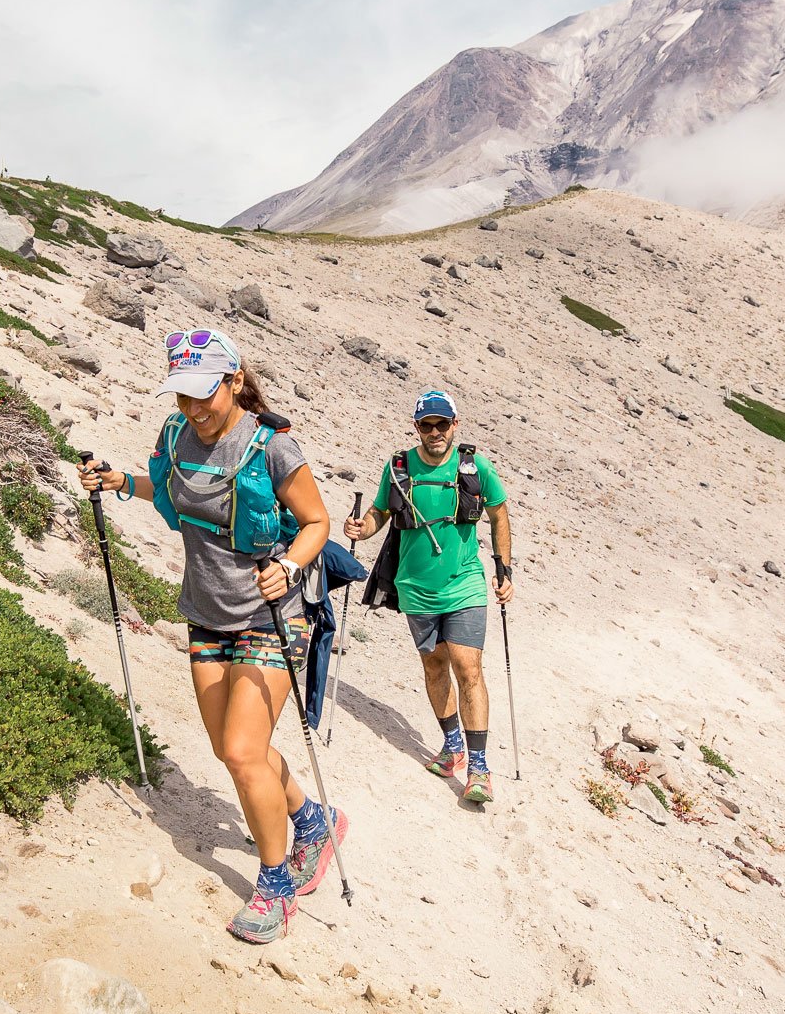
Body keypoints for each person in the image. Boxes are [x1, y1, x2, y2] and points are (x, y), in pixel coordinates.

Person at [76, 327, 345, 944]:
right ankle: (312, 821)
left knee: (246, 752)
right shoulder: (175, 437)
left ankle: (275, 886)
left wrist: (290, 566)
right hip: (204, 613)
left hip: (272, 615)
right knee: (232, 751)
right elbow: (170, 491)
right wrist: (122, 482)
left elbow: (316, 522)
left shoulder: (273, 447)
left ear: (234, 382)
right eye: (183, 396)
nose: (194, 409)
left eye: (205, 394)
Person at [342, 390, 512, 804]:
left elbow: (499, 512)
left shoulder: (475, 467)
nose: (434, 432)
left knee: (467, 665)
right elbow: (381, 512)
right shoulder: (399, 467)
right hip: (415, 588)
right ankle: (451, 745)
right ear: (416, 427)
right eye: (426, 425)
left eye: (442, 424)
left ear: (455, 425)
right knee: (435, 666)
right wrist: (361, 529)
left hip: (465, 583)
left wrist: (503, 567)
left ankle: (479, 768)